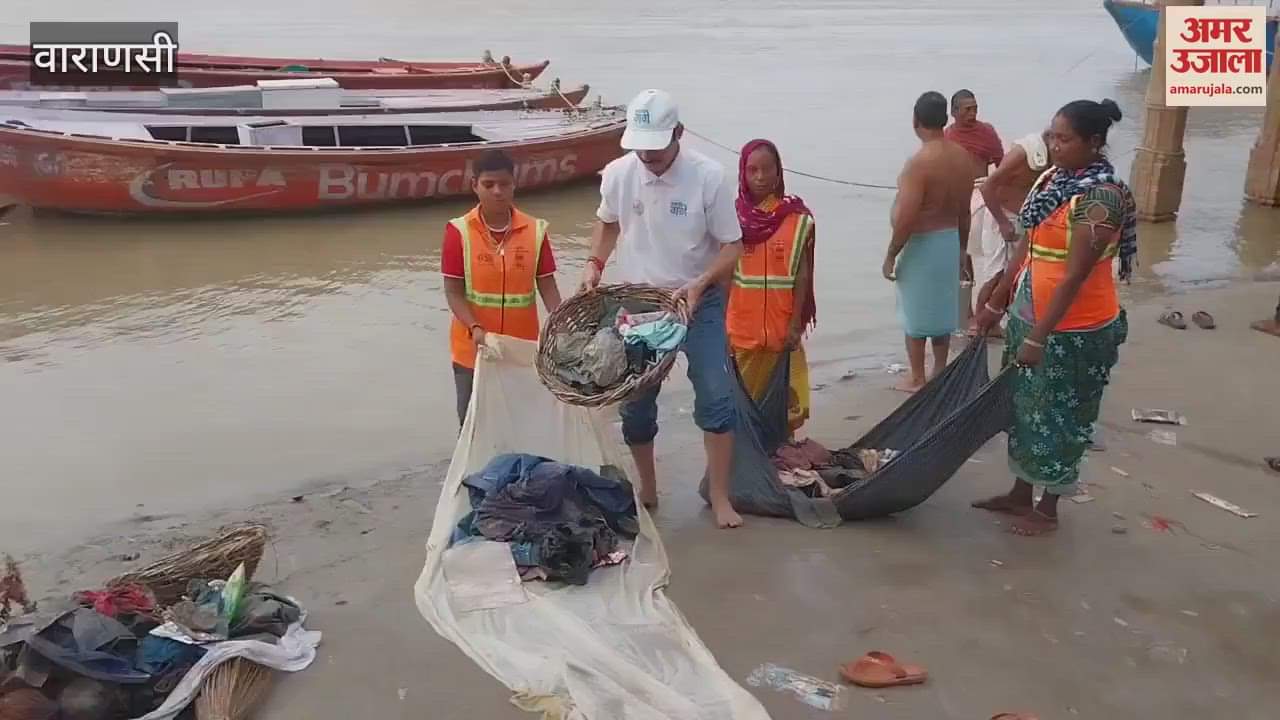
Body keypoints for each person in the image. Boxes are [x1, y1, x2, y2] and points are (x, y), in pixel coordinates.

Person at [580, 88, 745, 529]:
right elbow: (607, 221)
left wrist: (701, 282)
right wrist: (594, 263)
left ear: (678, 133)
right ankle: (648, 488)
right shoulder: (618, 173)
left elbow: (733, 246)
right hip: (639, 303)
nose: (646, 156)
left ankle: (720, 496)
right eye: (639, 146)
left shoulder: (708, 177)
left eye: (655, 146)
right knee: (636, 405)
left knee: (715, 394)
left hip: (699, 299)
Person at [971, 98, 1135, 537]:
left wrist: (1040, 336)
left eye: (1065, 139)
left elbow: (1075, 276)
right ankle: (1021, 492)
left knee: (1064, 413)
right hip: (1030, 312)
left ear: (1094, 143)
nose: (1055, 146)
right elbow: (1027, 245)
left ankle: (1049, 507)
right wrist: (996, 301)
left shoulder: (1101, 199)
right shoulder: (1053, 179)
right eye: (1052, 136)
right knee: (1025, 407)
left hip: (1075, 328)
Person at [442, 149, 562, 426]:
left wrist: (562, 323)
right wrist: (475, 328)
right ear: (475, 186)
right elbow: (453, 291)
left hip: (521, 351)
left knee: (522, 424)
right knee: (474, 426)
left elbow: (547, 285)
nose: (498, 191)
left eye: (504, 184)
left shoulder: (536, 230)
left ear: (514, 184)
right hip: (473, 351)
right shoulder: (458, 232)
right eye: (488, 185)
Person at [884, 91, 974, 393]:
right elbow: (964, 211)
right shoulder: (962, 158)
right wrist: (962, 248)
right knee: (944, 310)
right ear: (946, 119)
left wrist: (891, 254)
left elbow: (907, 217)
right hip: (949, 241)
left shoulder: (918, 164)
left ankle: (917, 376)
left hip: (922, 244)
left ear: (915, 120)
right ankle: (940, 370)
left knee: (915, 314)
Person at [726, 139, 816, 437]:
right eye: (753, 170)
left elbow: (802, 276)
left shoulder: (796, 218)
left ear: (779, 172)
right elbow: (722, 277)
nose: (760, 177)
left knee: (785, 415)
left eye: (767, 169)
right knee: (740, 413)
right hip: (742, 336)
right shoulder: (729, 219)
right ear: (743, 173)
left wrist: (794, 325)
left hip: (782, 336)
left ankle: (782, 465)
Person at [967, 129, 1053, 338]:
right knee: (995, 275)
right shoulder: (1022, 153)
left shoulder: (1054, 161)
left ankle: (996, 321)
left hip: (1023, 220)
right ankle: (979, 325)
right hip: (1002, 218)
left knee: (1015, 274)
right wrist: (1003, 222)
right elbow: (988, 187)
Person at [945, 89, 1004, 181]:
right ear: (954, 112)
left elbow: (1002, 165)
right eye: (968, 109)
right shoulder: (946, 136)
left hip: (980, 188)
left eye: (975, 109)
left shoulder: (987, 132)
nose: (972, 114)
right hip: (956, 191)